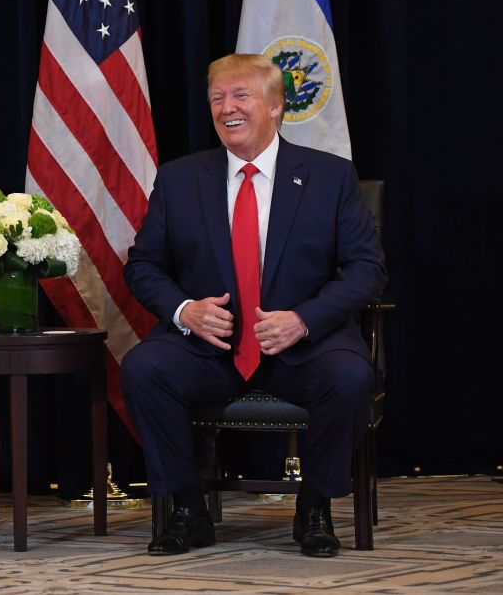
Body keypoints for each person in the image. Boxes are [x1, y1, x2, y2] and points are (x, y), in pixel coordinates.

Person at [121, 54, 386, 558]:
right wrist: (184, 311)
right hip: (210, 348)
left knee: (351, 379)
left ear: (277, 106)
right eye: (218, 98)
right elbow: (143, 265)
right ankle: (187, 508)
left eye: (241, 96)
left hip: (303, 346)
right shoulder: (180, 179)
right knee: (143, 370)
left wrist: (304, 320)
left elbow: (366, 270)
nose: (227, 108)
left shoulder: (330, 177)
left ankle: (314, 507)